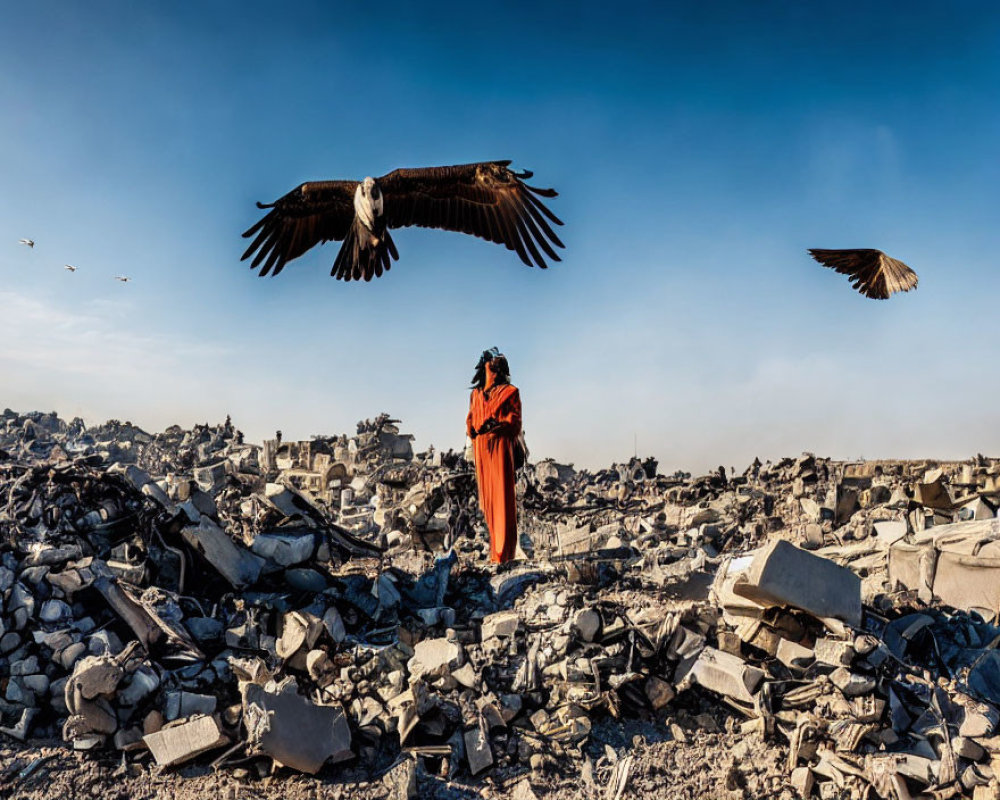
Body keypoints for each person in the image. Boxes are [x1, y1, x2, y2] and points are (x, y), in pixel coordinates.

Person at [466, 348, 522, 564]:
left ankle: (504, 556)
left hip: (499, 450)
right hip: (481, 451)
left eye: (500, 366)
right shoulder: (476, 394)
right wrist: (473, 428)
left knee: (503, 503)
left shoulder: (510, 392)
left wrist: (497, 425)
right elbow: (470, 419)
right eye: (493, 365)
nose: (497, 369)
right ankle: (494, 555)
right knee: (488, 504)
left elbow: (515, 423)